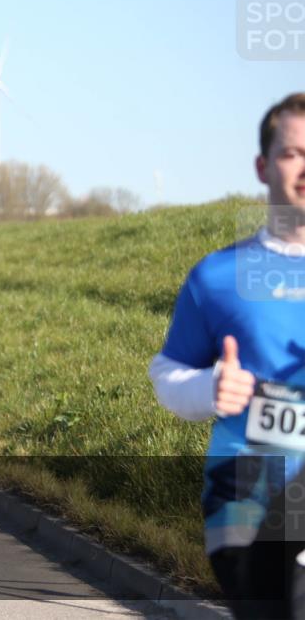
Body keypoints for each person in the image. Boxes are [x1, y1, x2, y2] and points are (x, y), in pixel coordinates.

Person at [149, 92, 305, 619]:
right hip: (246, 499)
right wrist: (210, 386)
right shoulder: (217, 277)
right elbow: (166, 372)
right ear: (263, 167)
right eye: (293, 153)